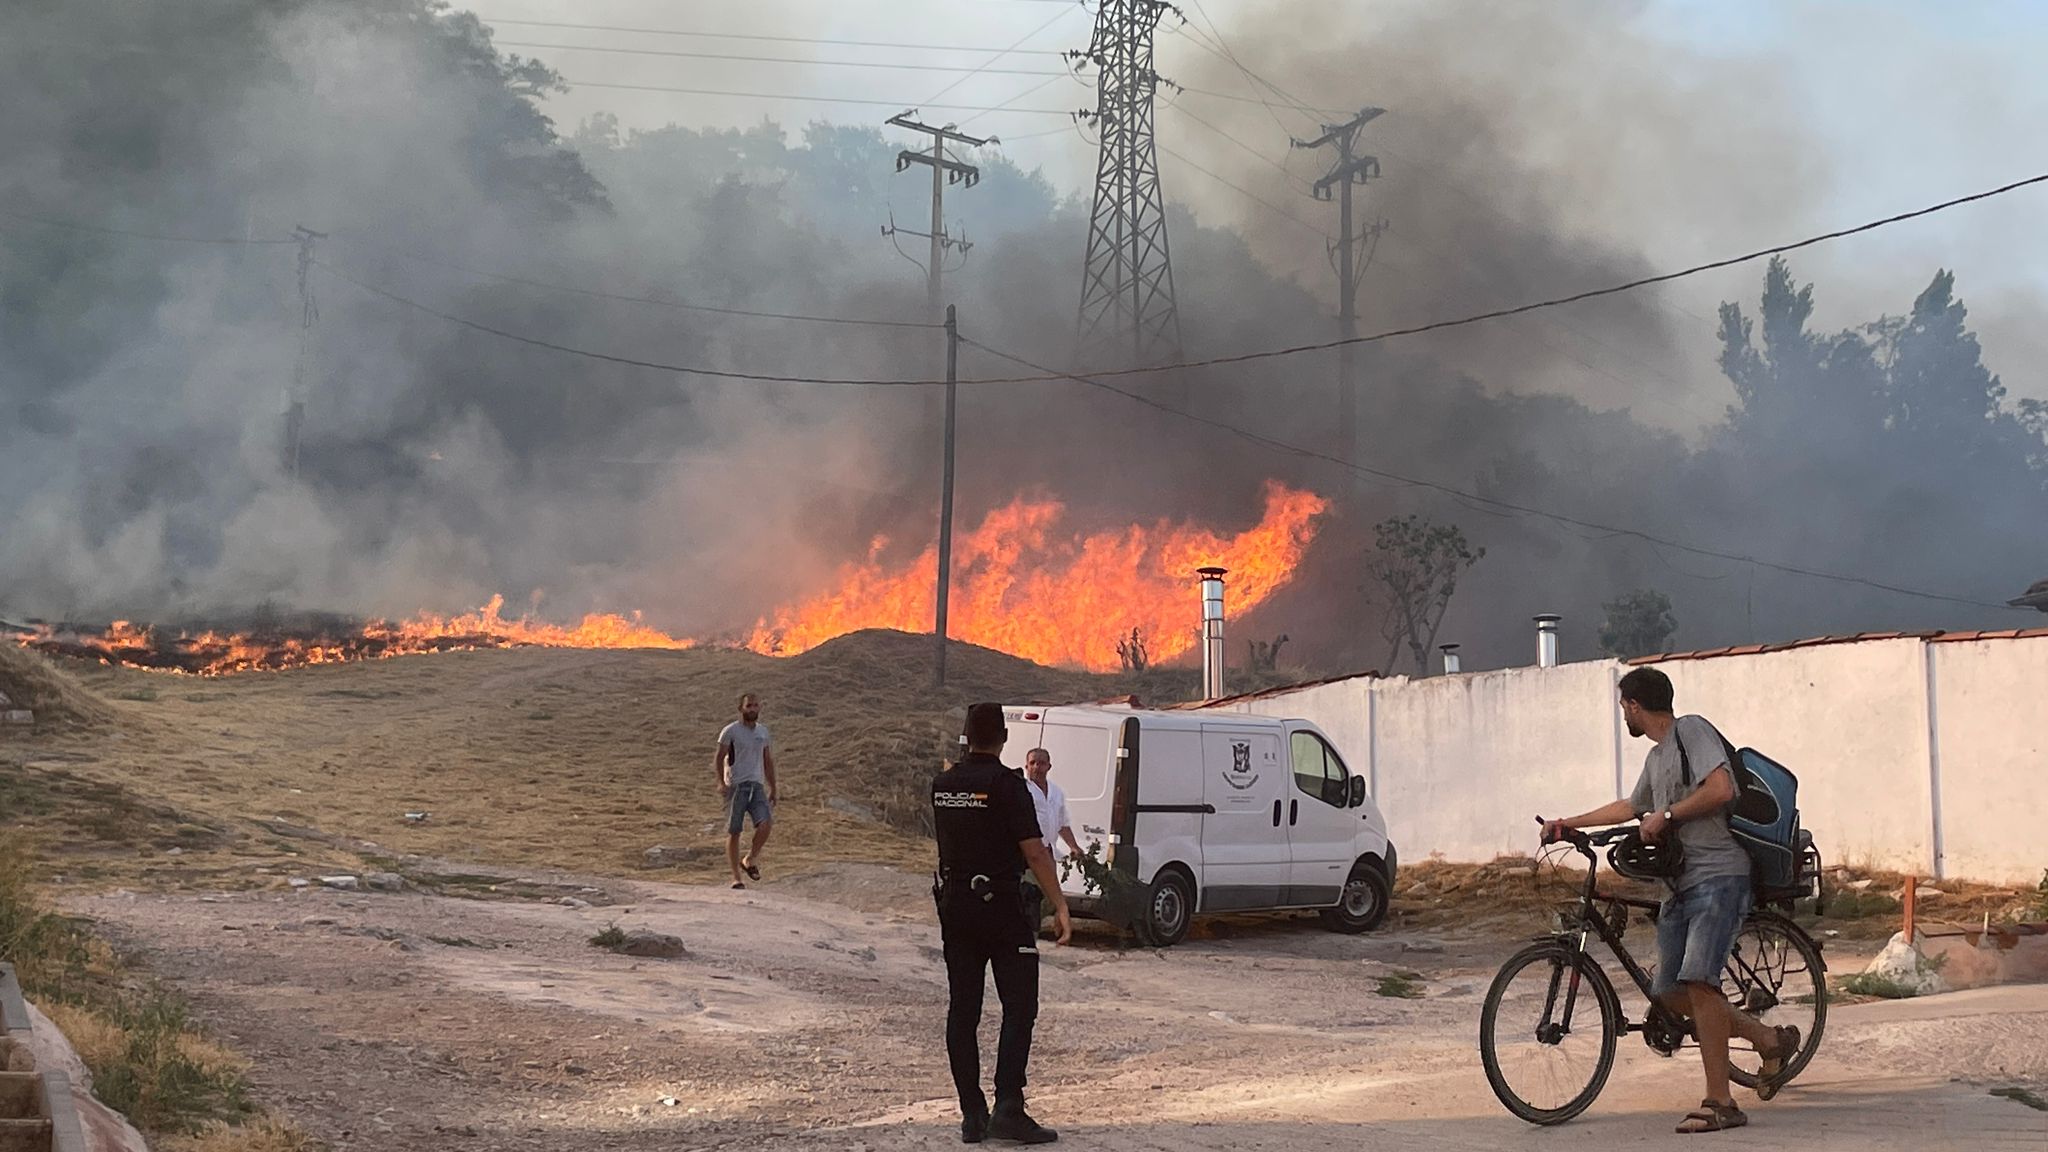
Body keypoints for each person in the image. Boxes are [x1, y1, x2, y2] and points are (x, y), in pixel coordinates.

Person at [1540, 667, 1800, 1135]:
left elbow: (1721, 789)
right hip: (1679, 885)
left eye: (1624, 707)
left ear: (1636, 707)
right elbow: (1630, 807)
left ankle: (1721, 1103)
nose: (1624, 715)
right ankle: (1768, 1038)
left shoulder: (1691, 731)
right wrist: (1568, 823)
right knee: (1667, 993)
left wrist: (1668, 814)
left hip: (1720, 877)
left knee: (1700, 982)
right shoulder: (1659, 758)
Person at [932, 703, 1071, 1145]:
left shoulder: (944, 784)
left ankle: (972, 1115)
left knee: (964, 1010)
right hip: (1002, 908)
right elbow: (1034, 851)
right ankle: (1008, 1107)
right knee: (1019, 1006)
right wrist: (1060, 904)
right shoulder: (1009, 786)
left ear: (966, 735)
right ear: (1004, 739)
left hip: (956, 906)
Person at [715, 693, 776, 890]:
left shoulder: (763, 732)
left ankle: (749, 859)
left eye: (755, 705)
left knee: (765, 824)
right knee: (735, 831)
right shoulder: (730, 731)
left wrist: (773, 787)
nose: (752, 709)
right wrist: (721, 782)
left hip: (756, 785)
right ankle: (736, 877)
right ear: (741, 708)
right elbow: (719, 757)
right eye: (749, 706)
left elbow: (767, 761)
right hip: (736, 786)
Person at [1019, 748, 1083, 935]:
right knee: (1030, 896)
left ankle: (1047, 925)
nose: (1037, 767)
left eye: (1041, 763)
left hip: (1048, 854)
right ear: (1026, 766)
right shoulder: (1023, 790)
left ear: (1049, 766)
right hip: (1028, 856)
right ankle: (1029, 934)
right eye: (1033, 763)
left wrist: (1073, 846)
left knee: (1048, 896)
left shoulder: (1056, 792)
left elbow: (1062, 823)